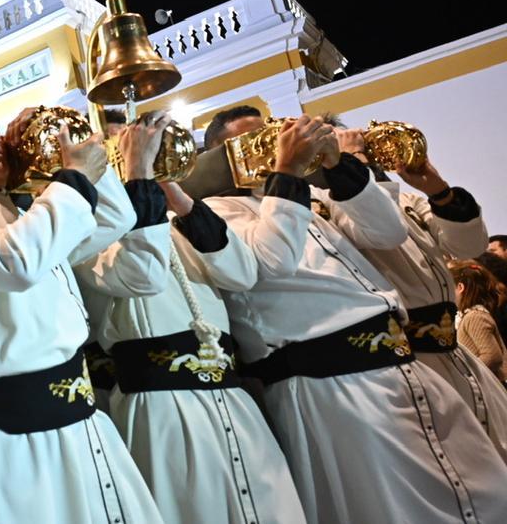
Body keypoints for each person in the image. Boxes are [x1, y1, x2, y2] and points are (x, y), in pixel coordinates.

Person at [204, 108, 507, 524]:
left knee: (482, 487)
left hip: (406, 365)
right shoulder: (217, 210)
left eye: (277, 134)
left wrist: (338, 164)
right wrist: (287, 170)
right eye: (256, 141)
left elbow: (388, 232)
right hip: (337, 381)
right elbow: (270, 260)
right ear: (220, 155)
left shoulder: (317, 197)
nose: (277, 144)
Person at [0, 102, 163, 524]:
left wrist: (75, 155)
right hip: (5, 436)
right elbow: (14, 262)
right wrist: (72, 178)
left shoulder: (22, 211)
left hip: (73, 419)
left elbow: (117, 216)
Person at [76, 116, 306, 524]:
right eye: (121, 149)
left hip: (230, 395)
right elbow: (138, 276)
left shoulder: (175, 220)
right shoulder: (85, 233)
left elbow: (242, 273)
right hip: (159, 405)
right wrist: (137, 177)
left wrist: (181, 202)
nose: (137, 151)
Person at [350, 134, 507, 461]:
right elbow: (383, 232)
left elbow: (468, 247)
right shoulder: (328, 207)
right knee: (460, 460)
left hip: (455, 353)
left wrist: (438, 189)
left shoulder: (406, 200)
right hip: (409, 360)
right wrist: (351, 169)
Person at [450, 261, 507, 382]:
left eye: (450, 287)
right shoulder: (469, 315)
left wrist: (467, 375)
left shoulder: (475, 316)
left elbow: (492, 356)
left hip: (493, 386)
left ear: (460, 288)